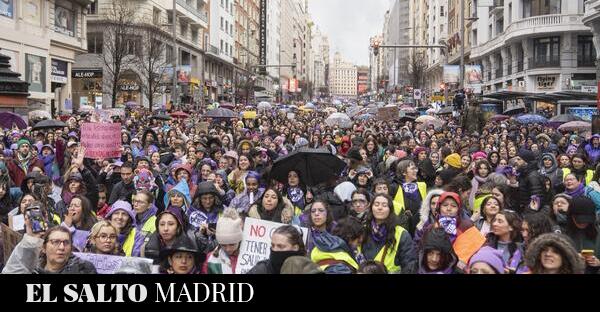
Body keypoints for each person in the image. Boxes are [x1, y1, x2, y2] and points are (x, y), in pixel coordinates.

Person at [2, 225, 96, 274]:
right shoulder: (32, 270)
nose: (61, 247)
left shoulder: (83, 269)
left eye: (66, 243)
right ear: (43, 248)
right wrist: (30, 240)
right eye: (55, 242)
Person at [360, 194, 417, 273]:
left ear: (390, 209)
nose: (380, 208)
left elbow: (409, 265)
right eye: (376, 204)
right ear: (371, 208)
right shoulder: (362, 231)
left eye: (384, 205)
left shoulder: (402, 234)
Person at [390, 160, 427, 235]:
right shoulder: (394, 187)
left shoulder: (422, 185)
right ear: (404, 172)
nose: (416, 171)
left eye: (416, 168)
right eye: (412, 169)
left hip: (419, 229)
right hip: (402, 229)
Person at [565, 196, 600, 274]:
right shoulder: (562, 233)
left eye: (587, 220)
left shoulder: (598, 233)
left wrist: (598, 263)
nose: (583, 224)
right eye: (579, 221)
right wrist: (571, 258)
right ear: (571, 216)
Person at [202, 208, 243, 274]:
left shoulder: (250, 255)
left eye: (232, 244)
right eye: (223, 245)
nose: (228, 249)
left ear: (239, 240)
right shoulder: (211, 259)